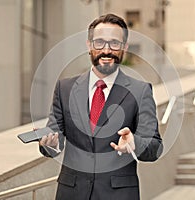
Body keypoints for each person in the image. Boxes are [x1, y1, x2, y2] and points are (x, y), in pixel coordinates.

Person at [39, 13, 163, 200]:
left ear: (124, 47)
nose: (107, 50)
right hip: (71, 193)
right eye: (99, 42)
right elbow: (54, 136)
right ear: (89, 46)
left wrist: (134, 143)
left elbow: (155, 147)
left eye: (114, 43)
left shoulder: (140, 91)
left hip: (118, 195)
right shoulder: (64, 89)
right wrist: (50, 144)